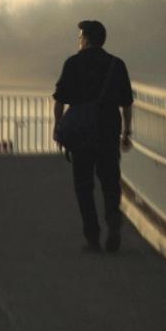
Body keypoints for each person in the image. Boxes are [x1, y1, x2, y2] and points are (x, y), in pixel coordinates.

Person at [53, 20, 133, 252]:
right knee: (110, 181)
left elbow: (59, 101)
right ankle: (112, 218)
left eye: (80, 37)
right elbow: (126, 103)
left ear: (86, 39)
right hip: (108, 131)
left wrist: (58, 127)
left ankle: (93, 237)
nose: (78, 41)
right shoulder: (116, 65)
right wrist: (126, 132)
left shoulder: (73, 63)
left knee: (83, 185)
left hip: (81, 135)